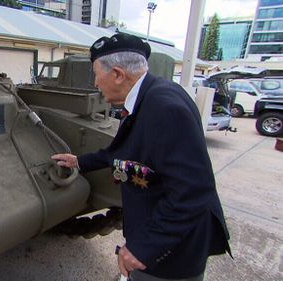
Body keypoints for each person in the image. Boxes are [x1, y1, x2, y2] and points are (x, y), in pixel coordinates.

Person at [51, 33, 231, 281]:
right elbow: (122, 151)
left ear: (117, 74)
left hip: (171, 252)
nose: (95, 83)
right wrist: (80, 162)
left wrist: (144, 247)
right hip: (162, 233)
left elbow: (193, 192)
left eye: (96, 74)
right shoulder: (148, 96)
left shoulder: (163, 107)